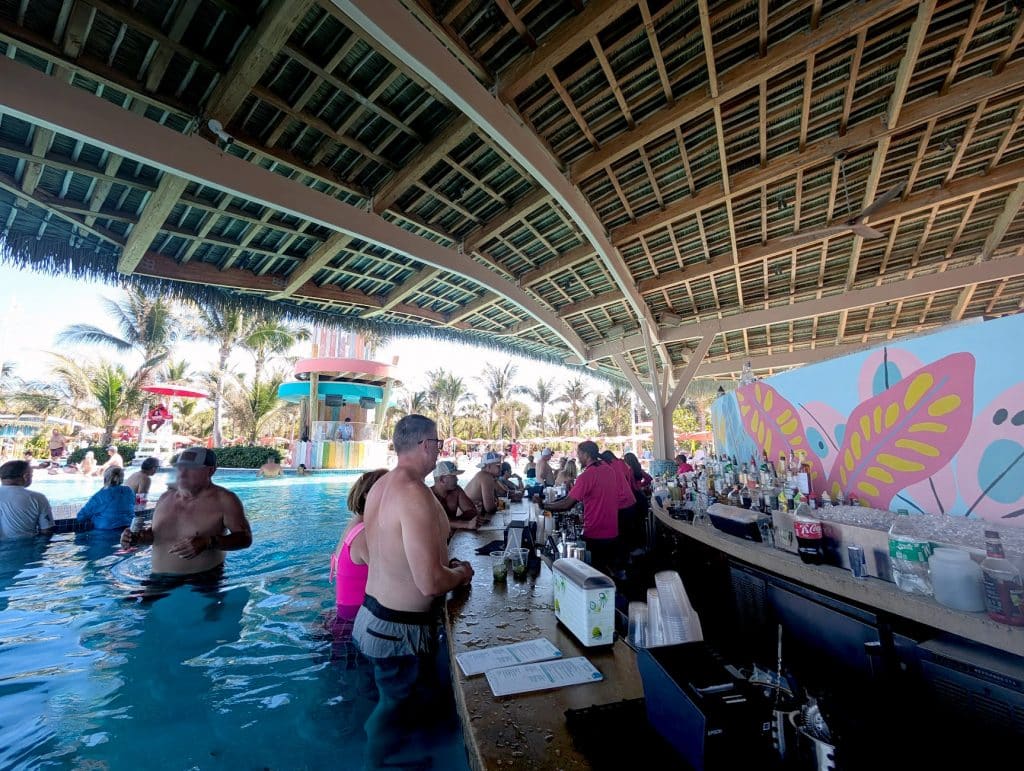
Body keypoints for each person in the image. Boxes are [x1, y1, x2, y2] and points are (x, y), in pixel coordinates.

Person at [351, 415, 473, 768]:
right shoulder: (414, 493)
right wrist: (461, 573)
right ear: (424, 445)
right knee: (390, 714)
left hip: (373, 619)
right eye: (438, 444)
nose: (439, 450)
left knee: (397, 708)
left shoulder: (382, 486)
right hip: (397, 631)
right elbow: (430, 582)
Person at [120, 447, 252, 576]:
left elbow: (245, 538)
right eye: (180, 467)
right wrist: (137, 538)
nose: (182, 473)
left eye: (191, 468)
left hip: (204, 581)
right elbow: (157, 536)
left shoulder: (225, 500)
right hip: (158, 580)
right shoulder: (165, 498)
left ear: (210, 471)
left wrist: (208, 542)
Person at [540, 441, 625, 578]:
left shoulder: (586, 476)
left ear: (586, 454)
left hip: (595, 533)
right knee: (608, 574)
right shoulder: (608, 470)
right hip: (612, 531)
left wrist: (544, 506)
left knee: (595, 576)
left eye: (579, 454)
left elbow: (567, 504)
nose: (578, 457)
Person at [330, 468, 388, 622]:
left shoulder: (357, 523)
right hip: (355, 620)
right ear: (367, 495)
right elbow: (392, 578)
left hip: (348, 613)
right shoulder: (365, 535)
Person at [0, 460, 54, 539]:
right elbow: (46, 531)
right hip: (26, 548)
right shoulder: (38, 498)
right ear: (26, 476)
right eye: (31, 475)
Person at [76, 466, 135, 530]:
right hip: (129, 529)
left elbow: (81, 517)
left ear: (105, 478)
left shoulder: (101, 495)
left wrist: (93, 517)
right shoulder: (129, 491)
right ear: (122, 478)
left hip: (105, 533)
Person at [430, 460, 478, 529]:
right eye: (454, 476)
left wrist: (455, 522)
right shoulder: (428, 496)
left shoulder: (456, 490)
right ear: (442, 479)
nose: (457, 479)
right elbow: (437, 522)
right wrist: (465, 524)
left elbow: (472, 511)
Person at [463, 451, 503, 517]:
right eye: (498, 466)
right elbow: (490, 508)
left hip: (468, 519)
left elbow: (499, 496)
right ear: (488, 466)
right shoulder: (486, 477)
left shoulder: (482, 476)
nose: (501, 468)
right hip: (465, 522)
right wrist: (505, 505)